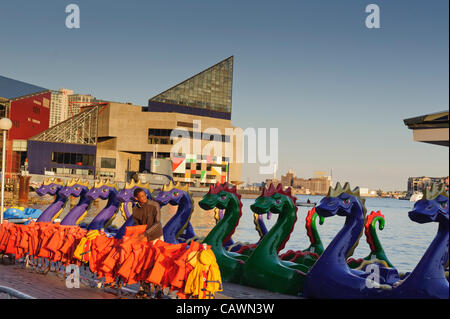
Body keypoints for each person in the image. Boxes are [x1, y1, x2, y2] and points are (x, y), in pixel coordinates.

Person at [132, 187, 164, 299]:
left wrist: (145, 234)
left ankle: (159, 290)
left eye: (144, 195)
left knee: (157, 263)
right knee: (143, 263)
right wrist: (138, 236)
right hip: (144, 239)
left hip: (156, 237)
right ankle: (145, 289)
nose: (144, 198)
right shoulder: (135, 210)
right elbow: (138, 226)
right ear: (136, 198)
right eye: (141, 196)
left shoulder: (155, 205)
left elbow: (157, 223)